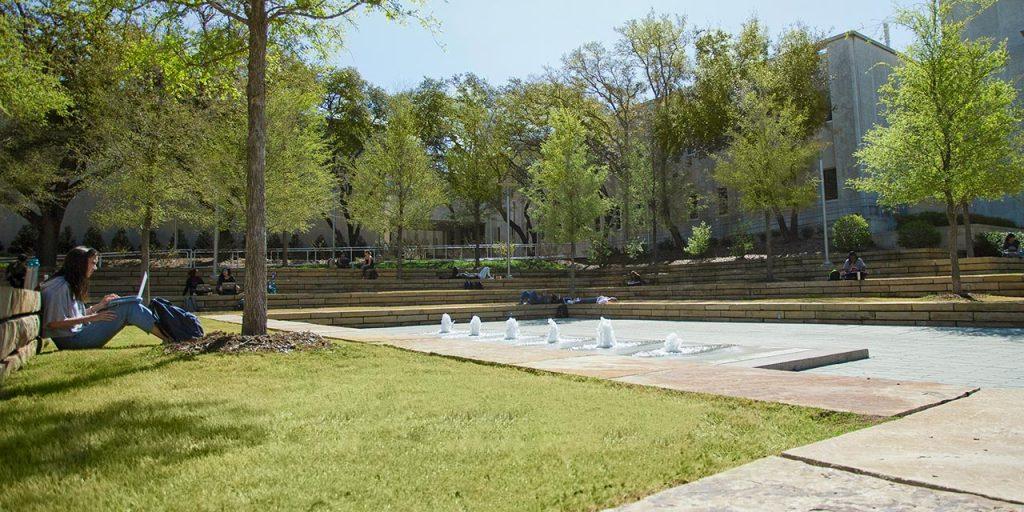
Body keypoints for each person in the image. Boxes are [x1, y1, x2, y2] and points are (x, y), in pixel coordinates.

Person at [40, 246, 170, 350]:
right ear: (79, 264)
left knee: (127, 305)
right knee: (130, 307)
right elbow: (53, 323)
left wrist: (100, 306)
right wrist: (93, 317)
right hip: (71, 340)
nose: (95, 268)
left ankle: (170, 336)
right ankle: (170, 339)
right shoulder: (60, 287)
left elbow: (74, 315)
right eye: (93, 263)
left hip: (78, 334)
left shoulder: (69, 283)